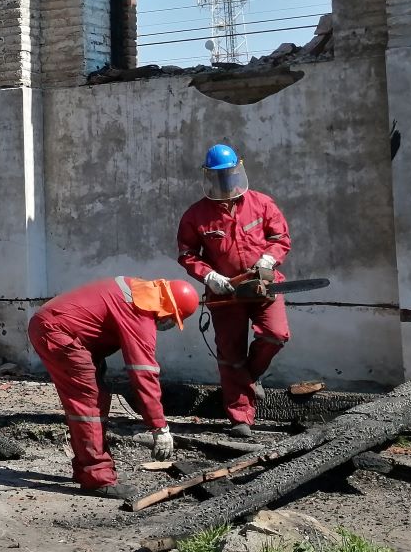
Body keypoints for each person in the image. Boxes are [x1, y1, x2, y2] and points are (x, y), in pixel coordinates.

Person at [27, 275, 198, 499]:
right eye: (173, 320)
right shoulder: (141, 313)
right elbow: (143, 373)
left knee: (95, 400)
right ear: (167, 309)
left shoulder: (138, 290)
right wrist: (159, 427)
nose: (169, 325)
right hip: (58, 332)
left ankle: (86, 469)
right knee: (89, 405)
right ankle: (97, 478)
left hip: (57, 328)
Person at [177, 143, 293, 439]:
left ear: (238, 171)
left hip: (263, 284)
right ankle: (240, 417)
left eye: (228, 174)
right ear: (208, 176)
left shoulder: (262, 203)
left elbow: (280, 238)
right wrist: (209, 275)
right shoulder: (197, 215)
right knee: (230, 352)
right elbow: (188, 254)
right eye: (218, 176)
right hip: (225, 291)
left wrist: (269, 258)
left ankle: (248, 377)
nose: (224, 180)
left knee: (275, 334)